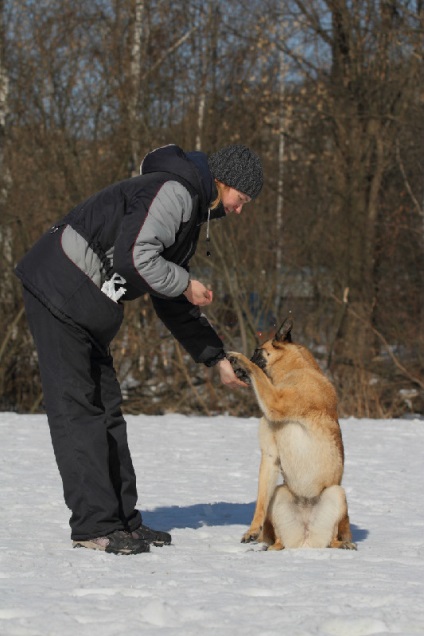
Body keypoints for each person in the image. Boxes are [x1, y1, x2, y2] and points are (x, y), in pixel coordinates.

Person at [15, 143, 264, 555]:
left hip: (86, 300)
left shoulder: (190, 208)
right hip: (59, 287)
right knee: (78, 410)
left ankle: (123, 522)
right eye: (243, 199)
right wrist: (185, 282)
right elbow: (135, 261)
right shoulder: (176, 191)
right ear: (225, 182)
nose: (240, 210)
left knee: (107, 407)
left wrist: (216, 357)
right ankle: (95, 526)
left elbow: (167, 298)